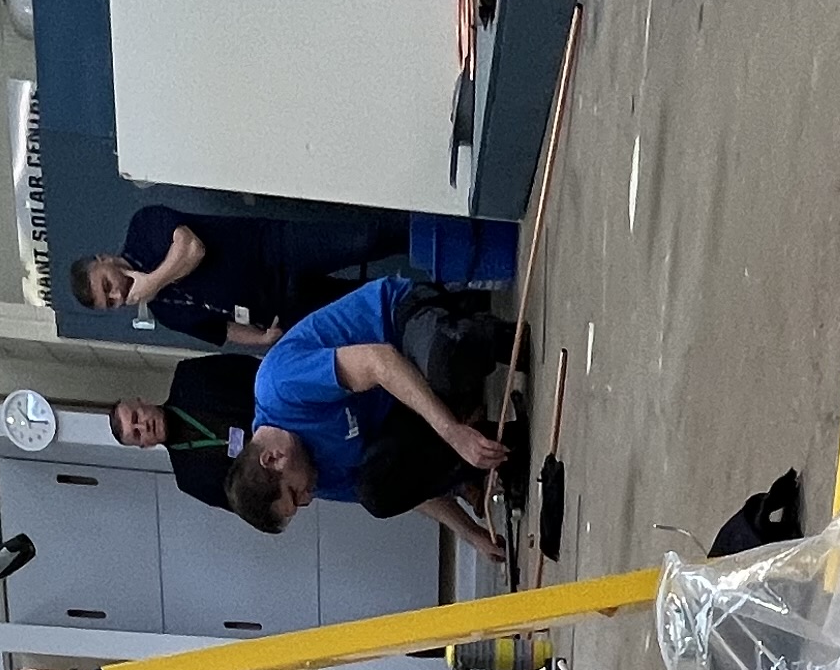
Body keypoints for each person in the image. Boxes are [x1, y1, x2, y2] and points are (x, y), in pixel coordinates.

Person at [226, 277, 511, 560]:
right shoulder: (311, 474)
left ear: (273, 459)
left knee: (444, 359)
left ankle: (501, 339)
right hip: (399, 408)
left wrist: (451, 432)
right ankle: (504, 444)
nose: (307, 498)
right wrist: (471, 534)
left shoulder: (280, 387)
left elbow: (380, 361)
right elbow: (406, 486)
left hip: (397, 324)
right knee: (376, 494)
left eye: (293, 494)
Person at [70, 203, 403, 352]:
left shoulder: (141, 228)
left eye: (107, 285)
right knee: (366, 306)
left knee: (365, 241)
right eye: (109, 303)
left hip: (273, 250)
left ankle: (436, 231)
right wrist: (261, 340)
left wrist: (152, 282)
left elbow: (190, 247)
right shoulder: (165, 312)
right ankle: (436, 296)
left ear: (105, 259)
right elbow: (219, 329)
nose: (117, 296)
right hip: (279, 305)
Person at [108, 351, 263, 514]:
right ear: (145, 445)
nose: (143, 426)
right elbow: (251, 507)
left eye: (136, 417)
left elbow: (256, 370)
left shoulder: (190, 375)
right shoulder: (191, 480)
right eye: (137, 434)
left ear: (144, 401)